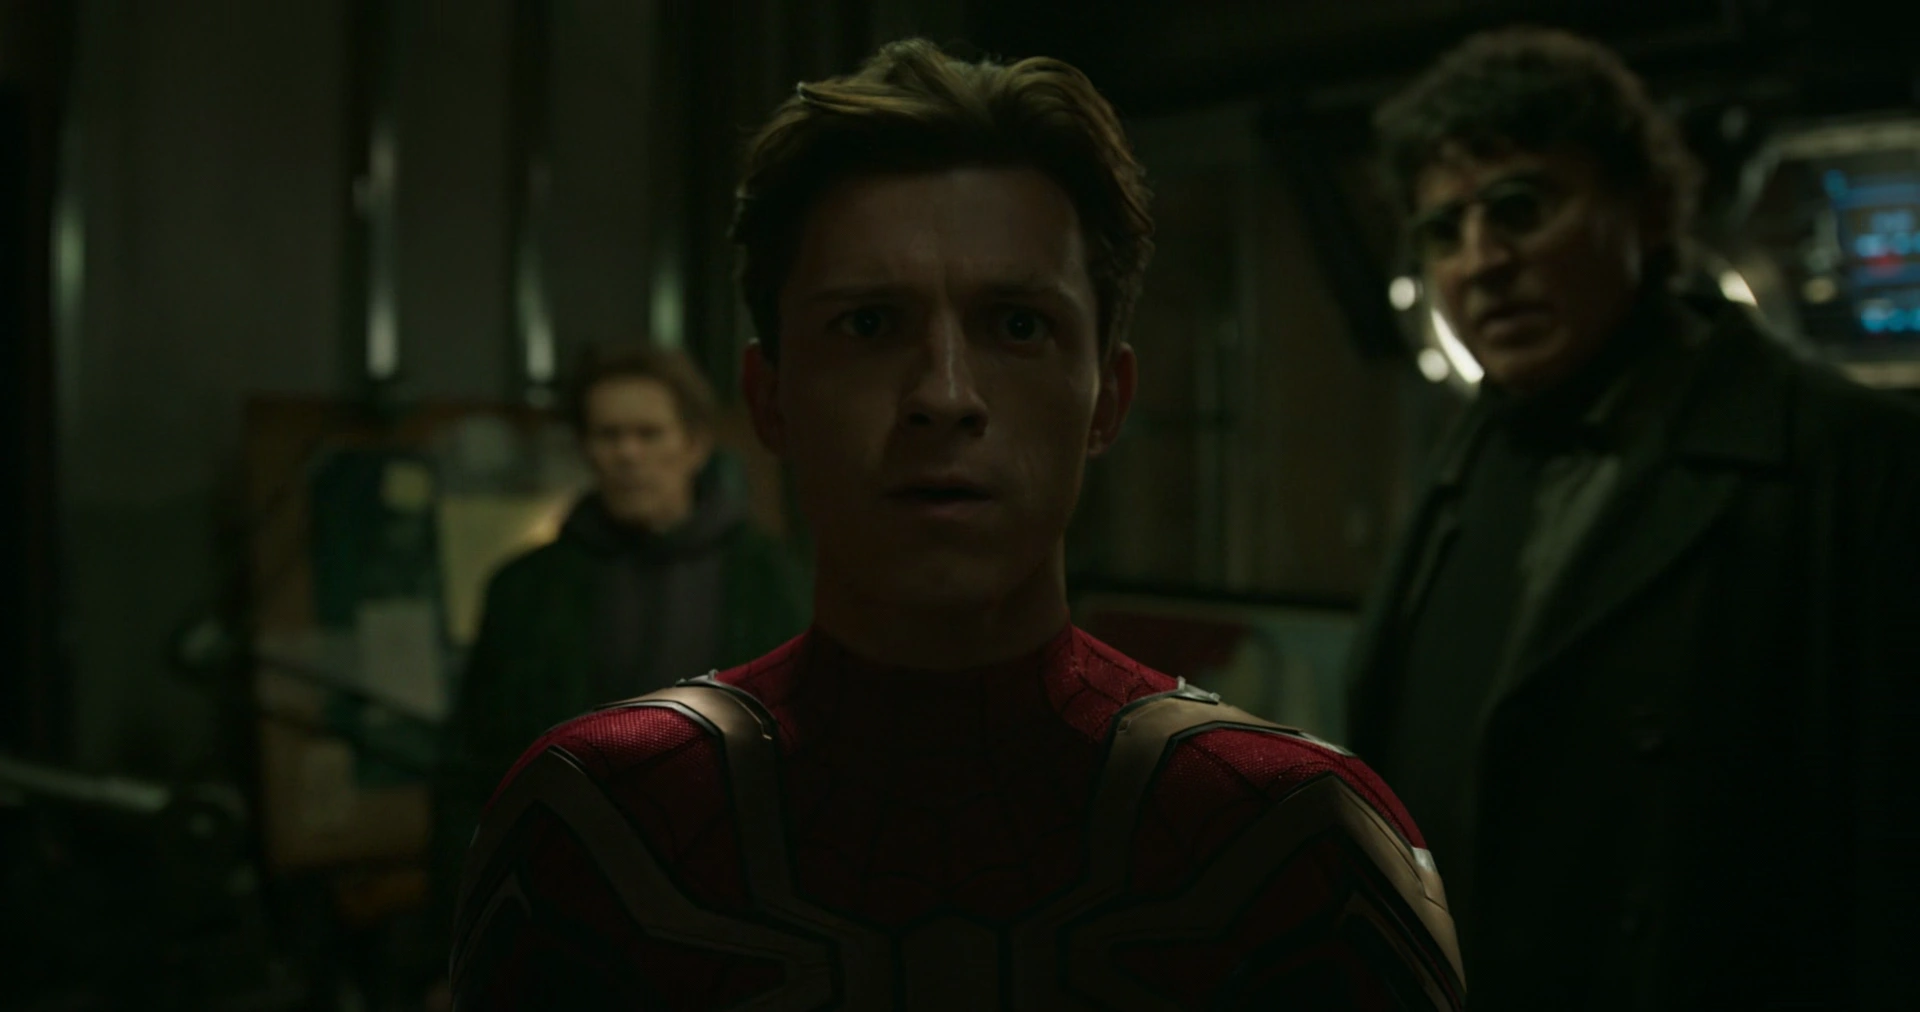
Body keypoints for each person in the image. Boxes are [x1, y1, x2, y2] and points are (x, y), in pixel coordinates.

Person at [445, 39, 1465, 1009]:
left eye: (1018, 325)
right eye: (869, 323)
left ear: (1107, 399)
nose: (943, 395)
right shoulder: (597, 822)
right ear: (770, 398)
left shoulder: (1296, 839)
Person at [1345, 26, 1920, 1011]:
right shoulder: (1463, 461)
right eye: (1443, 231)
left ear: (1648, 211)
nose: (1481, 262)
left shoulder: (1851, 462)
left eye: (1522, 208)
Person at [423, 345, 807, 1001]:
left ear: (693, 444)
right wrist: (456, 948)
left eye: (648, 434)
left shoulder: (773, 582)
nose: (628, 454)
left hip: (732, 922)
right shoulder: (526, 590)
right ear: (585, 448)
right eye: (608, 435)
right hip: (568, 919)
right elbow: (472, 771)